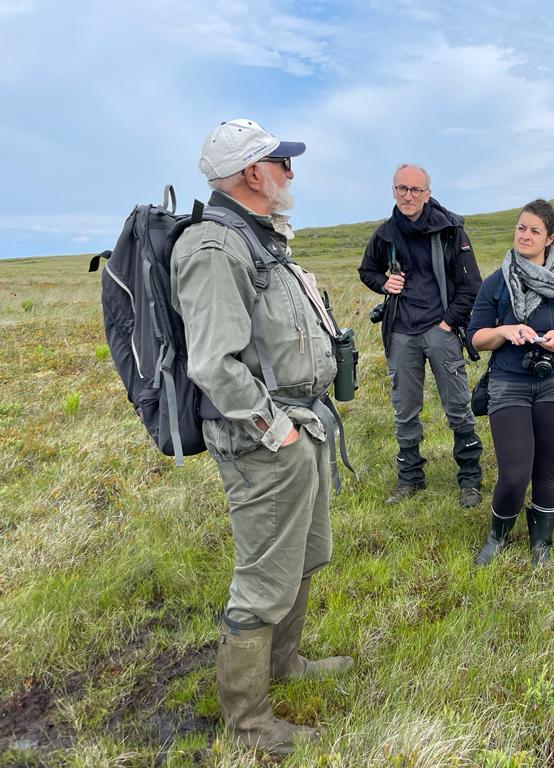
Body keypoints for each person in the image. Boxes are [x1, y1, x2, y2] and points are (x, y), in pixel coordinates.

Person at [171, 119, 351, 755]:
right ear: (253, 173)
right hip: (264, 440)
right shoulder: (216, 249)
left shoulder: (258, 239)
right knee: (262, 576)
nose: (290, 174)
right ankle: (250, 724)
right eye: (283, 163)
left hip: (300, 427)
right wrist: (276, 430)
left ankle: (285, 663)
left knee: (303, 553)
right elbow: (213, 364)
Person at [466, 199, 554, 566]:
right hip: (508, 383)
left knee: (547, 466)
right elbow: (475, 338)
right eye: (521, 227)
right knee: (514, 472)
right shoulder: (497, 282)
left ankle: (542, 542)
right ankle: (498, 535)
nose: (524, 235)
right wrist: (506, 331)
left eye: (534, 230)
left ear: (550, 238)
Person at [358, 164, 484, 507]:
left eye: (415, 190)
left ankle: (470, 479)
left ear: (427, 193)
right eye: (402, 189)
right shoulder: (385, 234)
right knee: (405, 409)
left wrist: (448, 322)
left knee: (458, 406)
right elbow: (366, 270)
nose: (408, 196)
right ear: (393, 191)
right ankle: (410, 478)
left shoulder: (450, 230)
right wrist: (384, 283)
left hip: (440, 331)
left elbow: (472, 285)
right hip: (401, 332)